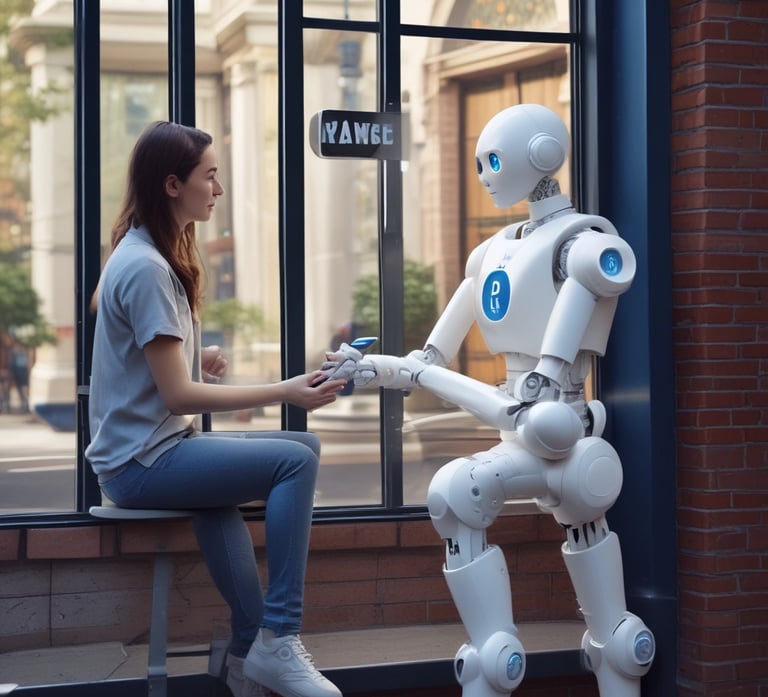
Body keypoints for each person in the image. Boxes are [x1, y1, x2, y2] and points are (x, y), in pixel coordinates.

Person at [320, 104, 654, 697]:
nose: (484, 174)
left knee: (456, 490)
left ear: (542, 155)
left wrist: (535, 384)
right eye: (478, 163)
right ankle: (498, 654)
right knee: (463, 498)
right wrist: (373, 367)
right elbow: (431, 360)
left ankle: (505, 659)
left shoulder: (584, 243)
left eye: (493, 160)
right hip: (525, 424)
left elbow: (543, 398)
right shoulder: (491, 251)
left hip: (561, 429)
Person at [85, 121, 347, 697]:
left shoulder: (145, 251)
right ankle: (278, 638)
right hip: (140, 464)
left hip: (151, 450)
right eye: (211, 176)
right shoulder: (148, 267)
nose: (219, 189)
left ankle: (249, 649)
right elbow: (178, 397)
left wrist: (188, 356)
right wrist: (284, 390)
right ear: (173, 184)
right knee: (296, 461)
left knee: (298, 448)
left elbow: (145, 368)